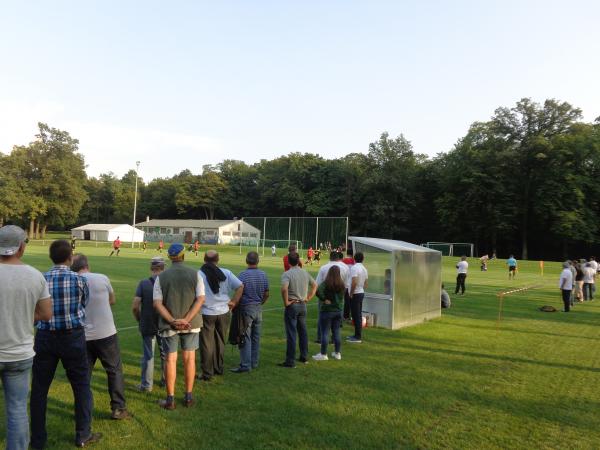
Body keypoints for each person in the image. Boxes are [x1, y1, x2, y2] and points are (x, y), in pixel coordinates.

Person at [30, 240, 101, 448]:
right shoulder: (79, 280)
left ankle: (37, 439)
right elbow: (84, 303)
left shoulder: (41, 279)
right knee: (81, 386)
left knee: (40, 389)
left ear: (51, 257)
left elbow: (37, 308)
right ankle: (82, 434)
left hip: (45, 337)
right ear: (70, 258)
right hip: (72, 337)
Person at [0, 225, 52, 450]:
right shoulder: (35, 276)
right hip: (20, 354)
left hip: (17, 354)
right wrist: (21, 318)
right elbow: (45, 314)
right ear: (21, 247)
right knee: (17, 409)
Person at [71, 254, 131, 420]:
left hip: (82, 335)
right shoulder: (102, 278)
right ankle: (118, 408)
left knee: (83, 375)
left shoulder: (71, 282)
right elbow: (112, 300)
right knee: (114, 371)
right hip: (106, 334)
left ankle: (82, 412)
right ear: (87, 265)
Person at [153, 243, 205, 410]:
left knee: (170, 360)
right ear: (183, 255)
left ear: (169, 257)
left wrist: (173, 321)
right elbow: (201, 299)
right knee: (189, 359)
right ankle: (188, 397)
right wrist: (187, 319)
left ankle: (170, 400)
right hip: (192, 323)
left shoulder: (161, 277)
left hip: (170, 326)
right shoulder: (196, 274)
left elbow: (157, 304)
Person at [198, 250, 243, 381]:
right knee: (220, 341)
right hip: (223, 311)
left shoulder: (199, 274)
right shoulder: (226, 272)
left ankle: (207, 372)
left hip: (207, 312)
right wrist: (233, 301)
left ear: (204, 259)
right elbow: (240, 286)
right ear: (218, 260)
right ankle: (218, 368)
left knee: (207, 343)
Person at [231, 251, 269, 373]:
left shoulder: (243, 274)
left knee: (245, 337)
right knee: (255, 338)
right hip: (258, 308)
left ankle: (246, 365)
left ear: (247, 261)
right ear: (258, 261)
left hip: (246, 308)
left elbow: (239, 291)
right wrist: (260, 302)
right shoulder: (263, 274)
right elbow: (266, 293)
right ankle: (254, 362)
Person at [132, 256, 166, 392]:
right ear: (164, 268)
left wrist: (139, 319)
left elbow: (135, 306)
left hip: (148, 323)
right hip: (164, 323)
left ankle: (146, 385)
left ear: (151, 268)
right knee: (166, 354)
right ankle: (166, 380)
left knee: (148, 355)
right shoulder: (167, 283)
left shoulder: (143, 283)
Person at [279, 253, 317, 368]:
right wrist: (308, 298)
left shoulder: (287, 274)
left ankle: (290, 361)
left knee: (291, 333)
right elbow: (315, 285)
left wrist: (286, 302)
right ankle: (304, 356)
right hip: (302, 305)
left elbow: (284, 289)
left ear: (288, 262)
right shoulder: (304, 272)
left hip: (292, 305)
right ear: (298, 261)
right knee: (303, 332)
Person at [315, 252, 350, 343]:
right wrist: (341, 297)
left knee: (322, 318)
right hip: (339, 296)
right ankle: (335, 340)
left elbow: (318, 284)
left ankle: (320, 338)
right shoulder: (345, 267)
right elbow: (346, 285)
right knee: (337, 321)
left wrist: (323, 298)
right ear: (338, 258)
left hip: (326, 296)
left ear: (330, 258)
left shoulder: (324, 267)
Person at [313, 265, 345, 361]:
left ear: (329, 273)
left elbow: (317, 290)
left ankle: (323, 354)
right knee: (336, 332)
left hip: (327, 311)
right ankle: (337, 353)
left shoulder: (326, 283)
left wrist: (324, 299)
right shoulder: (342, 284)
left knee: (325, 333)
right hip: (338, 311)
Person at [347, 252, 368, 344]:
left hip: (355, 294)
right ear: (363, 259)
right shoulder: (364, 268)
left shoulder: (354, 268)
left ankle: (358, 336)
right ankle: (356, 334)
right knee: (357, 315)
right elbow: (366, 284)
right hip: (360, 292)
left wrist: (351, 293)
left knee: (356, 315)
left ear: (354, 258)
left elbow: (354, 282)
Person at [342, 249, 355, 320]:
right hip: (352, 283)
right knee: (352, 301)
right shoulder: (354, 261)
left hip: (345, 283)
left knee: (346, 301)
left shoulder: (343, 261)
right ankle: (351, 315)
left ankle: (346, 316)